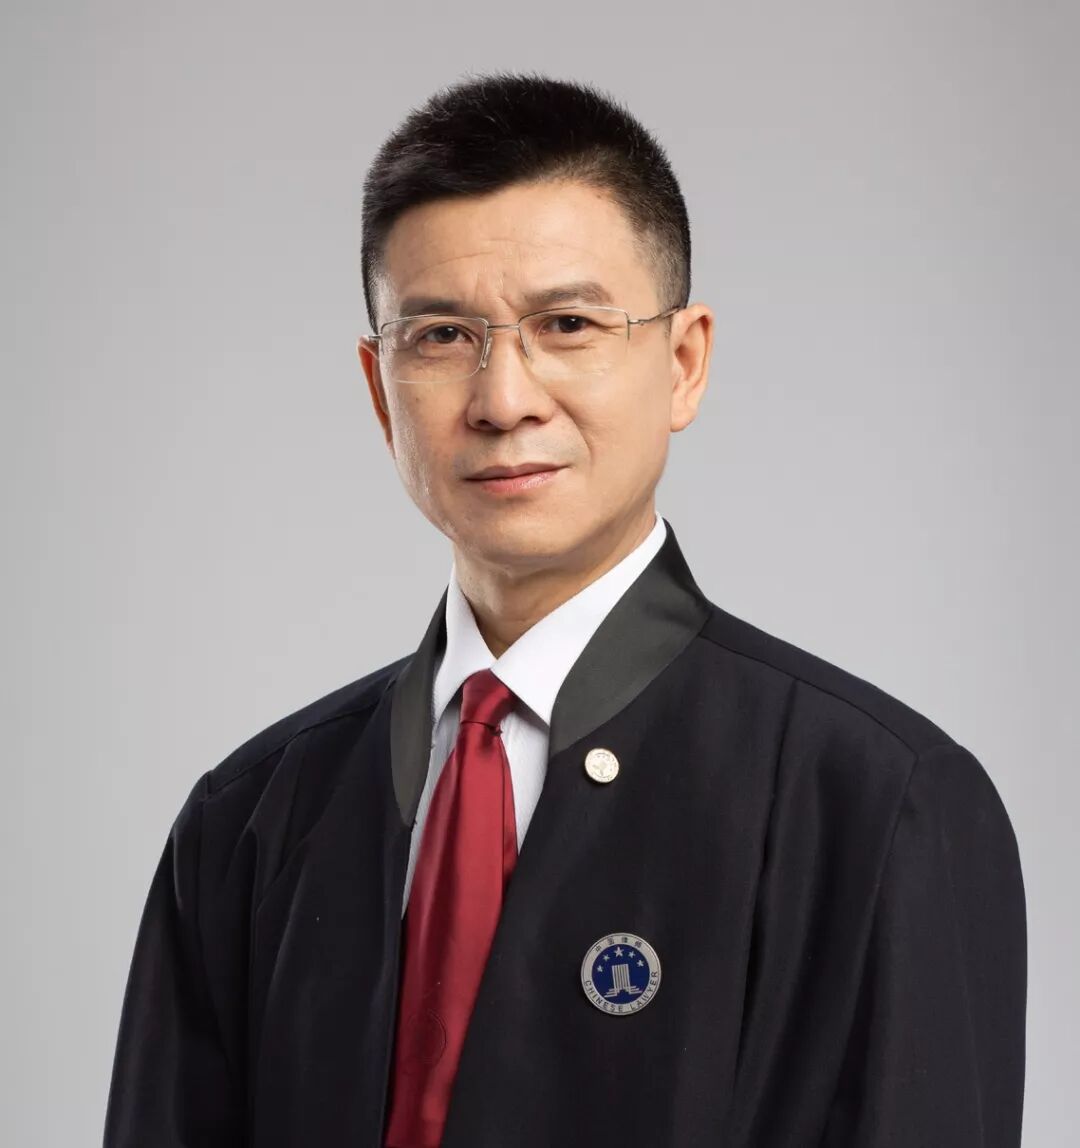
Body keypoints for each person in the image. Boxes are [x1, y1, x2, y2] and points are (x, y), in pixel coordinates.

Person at [103, 71, 1026, 1147]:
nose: (503, 400)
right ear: (378, 387)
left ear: (684, 363)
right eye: (441, 336)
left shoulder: (876, 804)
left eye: (568, 323)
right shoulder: (248, 821)